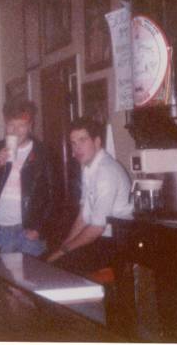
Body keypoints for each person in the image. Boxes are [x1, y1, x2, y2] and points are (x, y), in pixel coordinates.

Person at [46, 117, 132, 274]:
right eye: (73, 143)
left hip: (114, 243)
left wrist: (63, 251)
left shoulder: (106, 171)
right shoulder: (88, 168)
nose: (76, 148)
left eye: (82, 140)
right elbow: (84, 216)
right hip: (98, 239)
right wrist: (64, 245)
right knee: (48, 257)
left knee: (55, 267)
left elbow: (96, 228)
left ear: (97, 142)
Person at [0, 98, 55, 257]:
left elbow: (54, 196)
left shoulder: (43, 153)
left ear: (30, 126)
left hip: (27, 233)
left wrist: (39, 229)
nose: (15, 131)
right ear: (5, 124)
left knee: (30, 273)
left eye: (21, 125)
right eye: (11, 125)